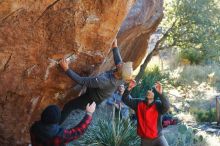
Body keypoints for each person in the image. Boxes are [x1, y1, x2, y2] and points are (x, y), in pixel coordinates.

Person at [59, 39, 133, 123]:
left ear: (119, 70)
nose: (122, 62)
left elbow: (81, 81)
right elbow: (118, 61)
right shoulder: (122, 76)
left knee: (69, 106)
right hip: (96, 92)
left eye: (122, 64)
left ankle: (55, 127)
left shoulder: (104, 81)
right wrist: (115, 46)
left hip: (90, 99)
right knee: (87, 79)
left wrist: (66, 69)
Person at [122, 80, 170, 146]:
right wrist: (129, 88)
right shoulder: (138, 103)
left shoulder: (158, 105)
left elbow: (166, 107)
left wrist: (161, 94)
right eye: (149, 90)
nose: (149, 91)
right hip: (145, 140)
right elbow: (125, 99)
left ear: (155, 94)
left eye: (152, 90)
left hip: (158, 137)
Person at [30, 102, 96, 146]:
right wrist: (89, 113)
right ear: (57, 119)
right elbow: (78, 131)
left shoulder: (34, 128)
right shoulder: (60, 135)